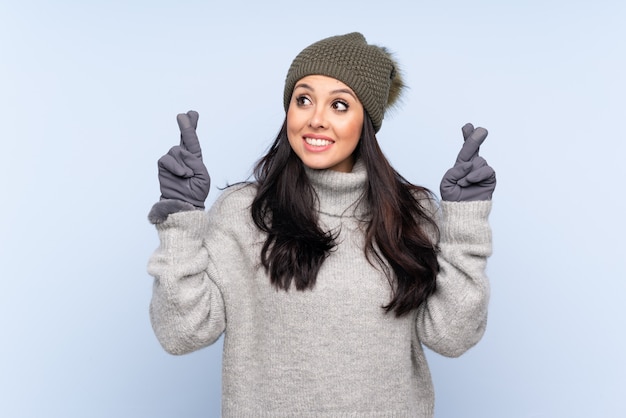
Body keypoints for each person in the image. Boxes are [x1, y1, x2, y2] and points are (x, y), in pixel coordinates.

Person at [147, 32, 496, 417]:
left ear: (367, 120)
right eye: (304, 99)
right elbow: (181, 334)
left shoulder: (412, 215)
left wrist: (465, 224)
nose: (316, 119)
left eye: (340, 105)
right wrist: (179, 217)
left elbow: (452, 336)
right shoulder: (243, 212)